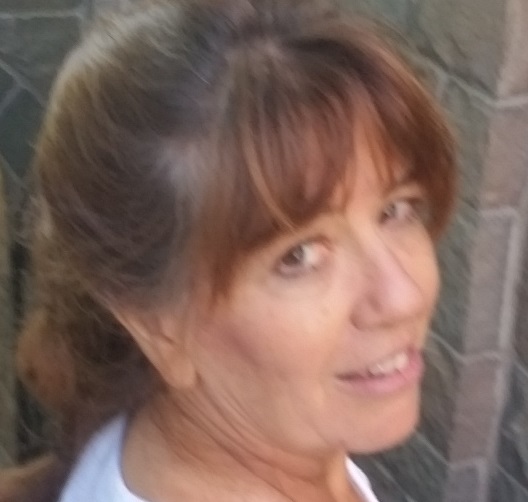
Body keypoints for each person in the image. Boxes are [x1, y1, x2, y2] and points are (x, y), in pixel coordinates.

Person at [2, 0, 456, 500]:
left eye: (396, 210)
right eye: (299, 256)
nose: (404, 296)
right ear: (156, 325)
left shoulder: (279, 444)